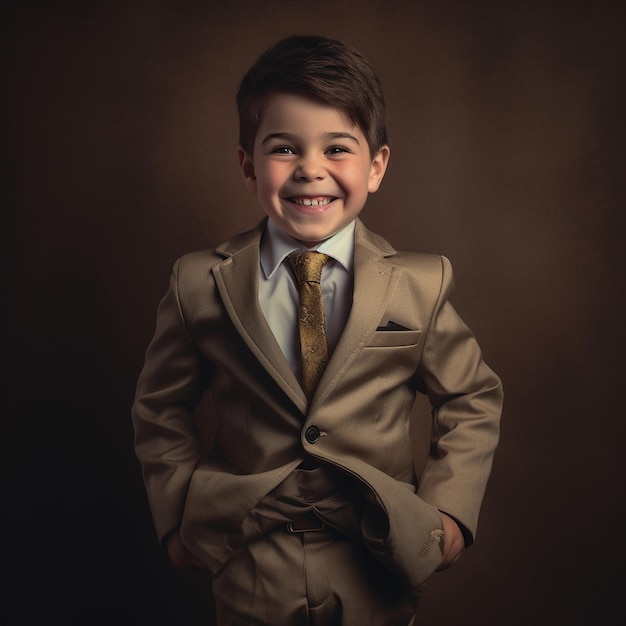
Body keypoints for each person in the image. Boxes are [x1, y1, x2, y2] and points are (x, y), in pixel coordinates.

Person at [132, 34, 503, 625]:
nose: (311, 170)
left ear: (376, 166)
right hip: (250, 557)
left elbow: (472, 397)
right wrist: (178, 518)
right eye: (284, 148)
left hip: (378, 557)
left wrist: (450, 514)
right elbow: (160, 408)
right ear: (248, 166)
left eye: (337, 148)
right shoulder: (200, 282)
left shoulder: (419, 284)